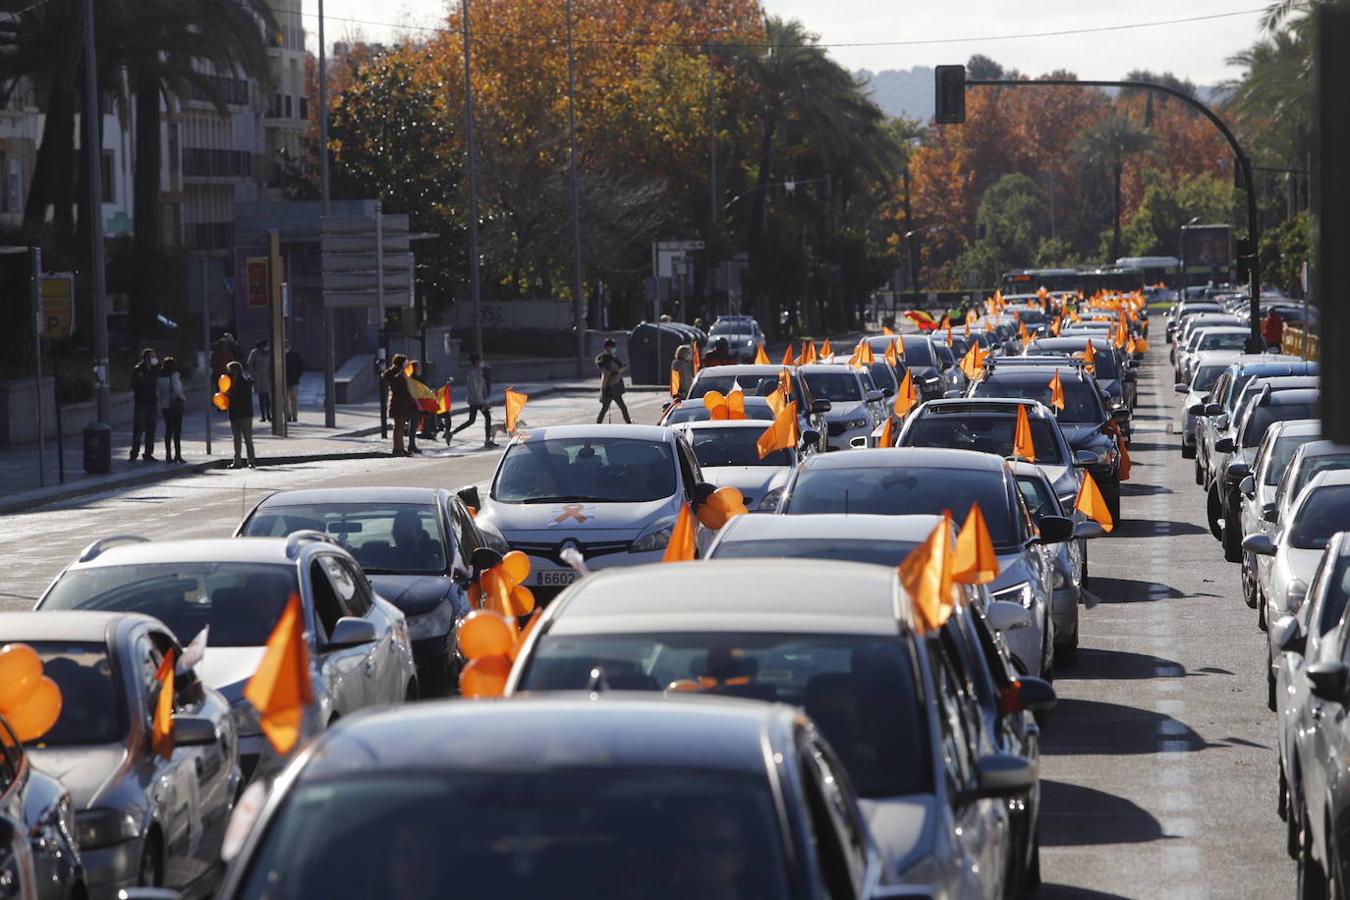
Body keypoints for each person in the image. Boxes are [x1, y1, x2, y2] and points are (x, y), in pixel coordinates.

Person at [449, 354, 494, 447]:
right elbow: (475, 389)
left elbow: (482, 387)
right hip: (477, 401)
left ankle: (451, 433)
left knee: (471, 420)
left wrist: (485, 397)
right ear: (476, 362)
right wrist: (483, 402)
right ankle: (487, 440)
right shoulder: (473, 373)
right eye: (479, 361)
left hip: (476, 401)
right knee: (487, 418)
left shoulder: (478, 372)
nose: (480, 362)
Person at [383, 353, 416, 457]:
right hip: (398, 404)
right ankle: (397, 448)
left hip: (401, 403)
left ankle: (400, 447)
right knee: (399, 427)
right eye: (405, 362)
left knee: (401, 427)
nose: (407, 364)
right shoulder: (397, 374)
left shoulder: (400, 373)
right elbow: (400, 387)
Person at [129, 349, 160, 461]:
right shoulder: (139, 369)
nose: (154, 358)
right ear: (146, 358)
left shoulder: (154, 369)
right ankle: (134, 453)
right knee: (138, 428)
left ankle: (148, 453)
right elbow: (135, 384)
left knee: (151, 428)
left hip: (152, 402)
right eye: (152, 356)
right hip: (141, 403)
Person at [225, 360, 256, 469]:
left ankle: (251, 461)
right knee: (236, 440)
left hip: (245, 414)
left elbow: (241, 397)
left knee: (248, 439)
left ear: (236, 371)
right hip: (234, 414)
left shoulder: (245, 383)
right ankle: (237, 461)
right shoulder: (228, 383)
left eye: (230, 371)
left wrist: (230, 394)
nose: (229, 373)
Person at [595, 338, 632, 424]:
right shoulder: (607, 360)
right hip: (611, 389)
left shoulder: (610, 358)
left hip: (613, 388)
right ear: (608, 348)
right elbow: (605, 376)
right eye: (613, 347)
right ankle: (628, 422)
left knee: (609, 408)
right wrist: (603, 391)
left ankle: (598, 423)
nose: (615, 349)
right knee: (619, 407)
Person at [157, 356, 186, 464]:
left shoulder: (159, 377)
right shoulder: (174, 376)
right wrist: (183, 398)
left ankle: (168, 454)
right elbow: (178, 391)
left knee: (168, 430)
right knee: (177, 431)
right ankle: (177, 455)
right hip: (175, 406)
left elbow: (158, 393)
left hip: (165, 406)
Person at [246, 339, 272, 423]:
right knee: (261, 397)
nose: (267, 347)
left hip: (267, 378)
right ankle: (263, 416)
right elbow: (250, 364)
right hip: (258, 378)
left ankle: (269, 415)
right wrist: (254, 374)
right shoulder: (254, 353)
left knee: (267, 397)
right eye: (266, 345)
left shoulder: (269, 353)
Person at [284, 342, 304, 422]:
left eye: (287, 346)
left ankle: (294, 416)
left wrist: (297, 375)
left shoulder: (295, 356)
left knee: (294, 399)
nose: (286, 348)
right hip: (284, 381)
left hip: (294, 381)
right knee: (285, 400)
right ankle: (288, 415)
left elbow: (301, 367)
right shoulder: (281, 356)